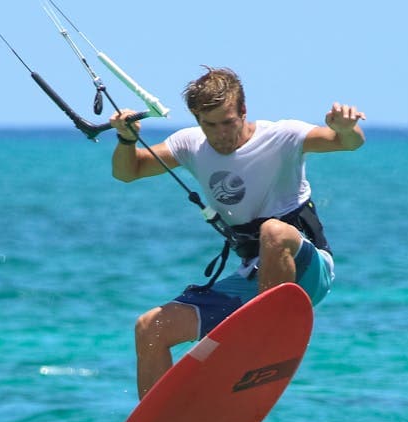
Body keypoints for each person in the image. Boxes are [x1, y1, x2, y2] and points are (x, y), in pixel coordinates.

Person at [109, 67, 365, 398]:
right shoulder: (190, 144)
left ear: (243, 111)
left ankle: (265, 340)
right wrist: (127, 139)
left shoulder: (281, 136)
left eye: (227, 122)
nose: (219, 134)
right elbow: (128, 172)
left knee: (273, 232)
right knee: (150, 328)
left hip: (307, 269)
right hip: (253, 277)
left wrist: (346, 128)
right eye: (209, 124)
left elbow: (346, 142)